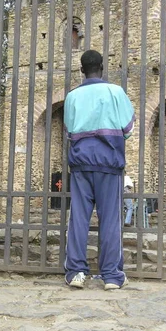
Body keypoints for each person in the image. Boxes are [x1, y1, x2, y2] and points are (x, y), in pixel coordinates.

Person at [63, 50, 135, 291]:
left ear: (81, 70)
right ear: (102, 68)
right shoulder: (116, 92)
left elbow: (70, 131)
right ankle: (111, 275)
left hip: (81, 164)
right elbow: (128, 128)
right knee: (110, 220)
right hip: (109, 164)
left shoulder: (72, 96)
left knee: (79, 219)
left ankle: (76, 272)